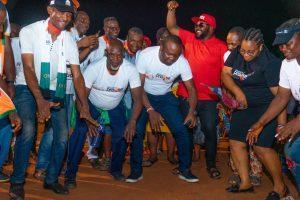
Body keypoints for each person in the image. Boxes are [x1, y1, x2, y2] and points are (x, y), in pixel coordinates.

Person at [9, 1, 97, 199]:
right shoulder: (30, 31)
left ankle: (51, 179)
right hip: (27, 86)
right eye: (61, 12)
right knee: (28, 129)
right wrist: (40, 101)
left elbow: (76, 75)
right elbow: (29, 68)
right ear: (50, 11)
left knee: (63, 135)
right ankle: (16, 182)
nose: (65, 18)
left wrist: (84, 106)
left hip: (55, 90)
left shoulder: (68, 38)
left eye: (69, 15)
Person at [64, 39, 142, 188]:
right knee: (79, 132)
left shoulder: (130, 70)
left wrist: (132, 122)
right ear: (106, 53)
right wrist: (87, 118)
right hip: (91, 103)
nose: (115, 59)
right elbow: (81, 98)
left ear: (123, 55)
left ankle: (115, 169)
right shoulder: (94, 68)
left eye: (119, 56)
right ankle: (70, 174)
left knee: (122, 133)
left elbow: (138, 99)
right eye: (112, 55)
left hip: (114, 105)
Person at [221, 27, 288, 199]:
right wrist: (238, 92)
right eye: (243, 50)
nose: (245, 55)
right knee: (236, 143)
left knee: (261, 147)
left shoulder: (270, 63)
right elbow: (225, 74)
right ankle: (245, 182)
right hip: (243, 107)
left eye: (250, 51)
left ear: (260, 47)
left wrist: (281, 124)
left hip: (266, 109)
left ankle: (280, 187)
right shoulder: (237, 52)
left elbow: (280, 97)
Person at [166, 0, 227, 179]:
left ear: (212, 28)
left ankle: (211, 165)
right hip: (186, 95)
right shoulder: (189, 38)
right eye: (196, 24)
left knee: (209, 130)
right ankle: (184, 163)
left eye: (202, 24)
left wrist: (226, 95)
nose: (197, 27)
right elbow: (171, 26)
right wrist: (170, 9)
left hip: (209, 98)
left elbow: (225, 75)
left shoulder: (221, 47)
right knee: (185, 131)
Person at [127, 35, 198, 183]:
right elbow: (138, 87)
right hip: (144, 96)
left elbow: (191, 89)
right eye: (168, 53)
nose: (171, 58)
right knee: (137, 132)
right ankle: (135, 171)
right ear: (161, 46)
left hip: (165, 97)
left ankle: (185, 170)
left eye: (175, 55)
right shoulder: (146, 55)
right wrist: (150, 110)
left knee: (181, 130)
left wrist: (191, 111)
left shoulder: (182, 62)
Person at [248, 18, 300, 197]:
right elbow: (282, 97)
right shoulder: (287, 65)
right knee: (292, 152)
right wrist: (261, 122)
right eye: (280, 45)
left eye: (288, 43)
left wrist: (297, 122)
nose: (283, 48)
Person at [223, 26, 263, 186]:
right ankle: (237, 171)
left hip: (254, 105)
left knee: (253, 139)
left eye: (234, 44)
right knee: (236, 139)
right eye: (229, 44)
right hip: (235, 103)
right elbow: (225, 77)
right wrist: (228, 98)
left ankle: (255, 172)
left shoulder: (257, 58)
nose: (230, 48)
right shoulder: (230, 55)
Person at [86, 16, 122, 170]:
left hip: (112, 93)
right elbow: (87, 65)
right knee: (93, 125)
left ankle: (107, 156)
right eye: (109, 27)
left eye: (115, 28)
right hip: (94, 92)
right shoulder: (96, 42)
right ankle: (92, 155)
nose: (112, 30)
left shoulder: (121, 44)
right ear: (104, 27)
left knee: (108, 128)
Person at [143, 27, 178, 167]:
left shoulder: (174, 54)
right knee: (151, 127)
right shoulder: (150, 55)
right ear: (158, 40)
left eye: (168, 37)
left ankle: (170, 155)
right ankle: (152, 155)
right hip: (150, 94)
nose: (166, 40)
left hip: (170, 93)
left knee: (170, 127)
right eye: (163, 37)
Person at [0, 5, 21, 183]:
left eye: (2, 22)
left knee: (6, 132)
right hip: (2, 94)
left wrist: (11, 82)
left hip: (2, 93)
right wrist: (12, 108)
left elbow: (9, 60)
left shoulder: (3, 39)